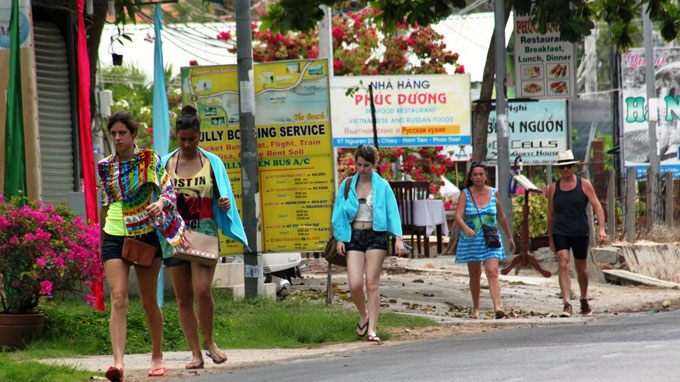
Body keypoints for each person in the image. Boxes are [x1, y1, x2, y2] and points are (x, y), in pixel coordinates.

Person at [98, 111, 187, 381]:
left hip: (145, 233)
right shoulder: (105, 166)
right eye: (113, 133)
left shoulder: (150, 159)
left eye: (122, 133)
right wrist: (102, 231)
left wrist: (160, 203)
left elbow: (168, 188)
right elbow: (106, 201)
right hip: (114, 233)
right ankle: (118, 363)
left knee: (149, 301)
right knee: (119, 298)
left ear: (133, 134)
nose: (117, 138)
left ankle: (157, 355)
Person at [160, 105, 248, 369]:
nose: (187, 144)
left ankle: (209, 341)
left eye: (192, 139)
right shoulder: (165, 163)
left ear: (200, 136)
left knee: (203, 290)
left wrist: (223, 204)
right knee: (184, 297)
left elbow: (225, 197)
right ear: (176, 136)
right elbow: (159, 198)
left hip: (204, 233)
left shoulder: (212, 162)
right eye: (182, 139)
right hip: (174, 237)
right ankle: (195, 353)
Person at [331, 144, 406, 344]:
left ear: (374, 164)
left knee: (372, 283)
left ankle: (372, 329)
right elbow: (338, 213)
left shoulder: (382, 186)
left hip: (376, 235)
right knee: (355, 283)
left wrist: (398, 237)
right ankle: (363, 315)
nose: (362, 169)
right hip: (353, 235)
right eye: (359, 164)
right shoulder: (347, 184)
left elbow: (392, 212)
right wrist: (340, 237)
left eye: (366, 165)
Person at [548, 149, 606, 317]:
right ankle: (566, 302)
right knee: (563, 262)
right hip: (561, 231)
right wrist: (551, 239)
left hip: (580, 230)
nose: (565, 170)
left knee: (581, 268)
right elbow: (551, 215)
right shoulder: (553, 188)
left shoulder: (584, 185)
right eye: (562, 167)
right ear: (559, 169)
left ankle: (583, 298)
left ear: (574, 166)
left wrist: (601, 229)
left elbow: (597, 207)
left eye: (568, 166)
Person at [454, 161, 515, 319]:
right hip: (472, 240)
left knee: (492, 271)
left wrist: (509, 237)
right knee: (475, 274)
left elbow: (501, 216)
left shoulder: (493, 193)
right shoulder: (465, 194)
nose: (478, 177)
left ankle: (497, 307)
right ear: (471, 177)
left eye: (481, 174)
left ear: (486, 176)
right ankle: (476, 308)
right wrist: (465, 228)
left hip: (490, 239)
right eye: (475, 174)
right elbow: (458, 217)